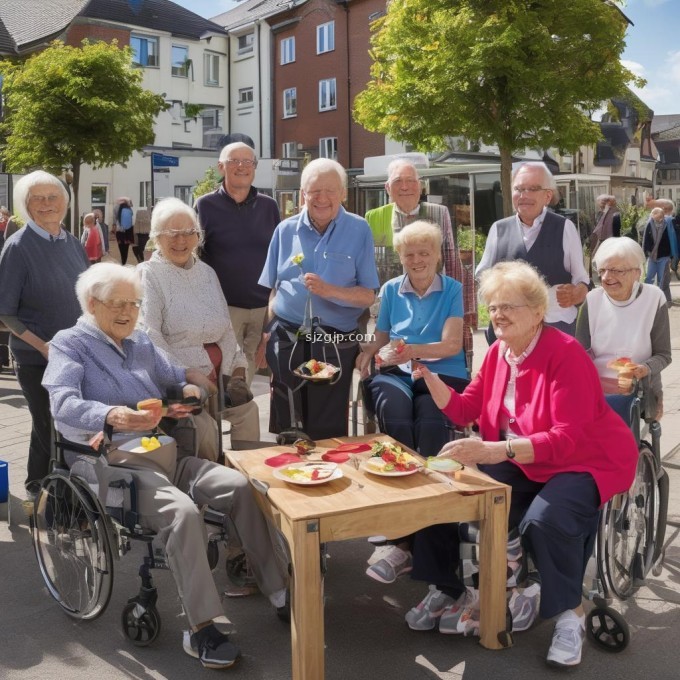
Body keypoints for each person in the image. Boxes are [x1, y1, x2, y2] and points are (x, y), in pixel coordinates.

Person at [42, 262, 289, 670]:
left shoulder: (139, 341)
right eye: (117, 303)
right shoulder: (70, 344)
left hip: (164, 453)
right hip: (112, 464)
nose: (127, 311)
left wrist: (189, 388)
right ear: (91, 303)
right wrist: (113, 415)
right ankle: (202, 626)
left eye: (134, 304)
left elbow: (174, 375)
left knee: (241, 486)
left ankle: (278, 589)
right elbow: (62, 403)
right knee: (183, 512)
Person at [408, 261, 637, 669]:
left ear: (538, 312)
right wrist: (429, 377)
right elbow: (465, 410)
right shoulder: (499, 352)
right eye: (493, 307)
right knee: (448, 490)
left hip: (584, 460)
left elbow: (569, 438)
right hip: (527, 458)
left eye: (508, 306)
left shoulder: (565, 354)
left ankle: (570, 616)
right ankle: (456, 588)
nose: (498, 315)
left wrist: (494, 451)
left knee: (544, 521)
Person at [356, 221, 468, 584]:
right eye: (409, 254)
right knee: (396, 418)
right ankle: (400, 529)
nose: (417, 260)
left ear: (438, 255)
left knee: (432, 427)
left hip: (444, 371)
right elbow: (383, 336)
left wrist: (411, 350)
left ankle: (432, 529)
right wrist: (374, 349)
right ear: (401, 257)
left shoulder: (453, 288)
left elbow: (452, 345)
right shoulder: (390, 289)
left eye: (424, 253)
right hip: (397, 372)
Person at [257, 158, 379, 441]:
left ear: (343, 194)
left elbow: (368, 295)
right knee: (288, 421)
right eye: (314, 191)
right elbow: (272, 288)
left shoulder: (359, 230)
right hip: (287, 337)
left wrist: (330, 291)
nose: (321, 198)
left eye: (330, 191)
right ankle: (290, 477)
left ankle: (327, 479)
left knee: (326, 428)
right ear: (303, 194)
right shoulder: (284, 230)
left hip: (334, 340)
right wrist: (268, 332)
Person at [138, 197, 260, 454]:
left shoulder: (207, 272)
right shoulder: (148, 274)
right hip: (180, 380)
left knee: (248, 411)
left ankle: (248, 477)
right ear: (156, 237)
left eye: (188, 233)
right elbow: (151, 335)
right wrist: (187, 375)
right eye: (172, 234)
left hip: (219, 374)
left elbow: (226, 328)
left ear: (198, 236)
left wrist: (237, 370)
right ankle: (210, 481)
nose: (181, 241)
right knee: (204, 428)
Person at [0, 170, 89, 500]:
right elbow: (5, 311)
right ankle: (41, 491)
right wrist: (42, 346)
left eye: (53, 197)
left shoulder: (73, 242)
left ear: (65, 203)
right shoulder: (18, 246)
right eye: (38, 198)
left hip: (76, 353)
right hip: (37, 358)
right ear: (26, 205)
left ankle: (62, 491)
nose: (47, 204)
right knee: (48, 424)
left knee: (71, 425)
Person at [365, 158, 476, 369]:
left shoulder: (438, 213)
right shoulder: (374, 217)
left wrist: (458, 305)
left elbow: (450, 260)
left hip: (433, 306)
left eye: (410, 181)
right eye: (398, 181)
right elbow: (369, 264)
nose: (405, 187)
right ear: (387, 187)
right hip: (392, 308)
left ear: (421, 185)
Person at [197, 142, 280, 385]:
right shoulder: (205, 205)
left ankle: (240, 420)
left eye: (248, 162)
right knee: (223, 375)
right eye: (234, 161)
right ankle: (222, 420)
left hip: (263, 308)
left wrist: (272, 317)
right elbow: (196, 257)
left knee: (250, 374)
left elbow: (278, 256)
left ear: (254, 168)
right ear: (221, 167)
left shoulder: (269, 206)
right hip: (224, 308)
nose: (241, 166)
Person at [476, 161, 590, 338]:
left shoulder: (564, 228)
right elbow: (482, 275)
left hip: (555, 327)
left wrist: (576, 294)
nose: (524, 195)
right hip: (510, 330)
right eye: (519, 189)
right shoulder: (499, 229)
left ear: (547, 195)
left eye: (533, 189)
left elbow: (582, 279)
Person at [576, 237, 671, 422]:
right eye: (602, 270)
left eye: (616, 271)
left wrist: (644, 368)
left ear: (637, 272)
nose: (606, 277)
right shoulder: (592, 300)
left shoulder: (654, 298)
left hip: (639, 388)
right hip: (595, 389)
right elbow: (580, 352)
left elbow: (664, 355)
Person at [643, 206, 677, 295]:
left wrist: (672, 255)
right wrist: (645, 253)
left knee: (662, 278)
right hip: (651, 255)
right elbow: (645, 239)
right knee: (649, 277)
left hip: (664, 255)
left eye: (661, 217)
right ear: (653, 216)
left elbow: (672, 238)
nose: (659, 219)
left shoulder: (667, 224)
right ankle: (647, 295)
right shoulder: (649, 224)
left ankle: (662, 297)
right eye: (656, 218)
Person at [589, 194, 621, 274]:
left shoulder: (613, 213)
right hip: (604, 240)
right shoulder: (604, 212)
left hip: (608, 241)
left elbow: (607, 229)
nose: (599, 204)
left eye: (600, 202)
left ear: (607, 202)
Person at [114, 197, 136, 265]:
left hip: (120, 232)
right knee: (126, 249)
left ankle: (122, 261)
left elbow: (115, 216)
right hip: (128, 232)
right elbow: (131, 207)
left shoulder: (117, 209)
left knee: (121, 249)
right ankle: (124, 262)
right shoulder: (129, 210)